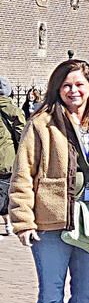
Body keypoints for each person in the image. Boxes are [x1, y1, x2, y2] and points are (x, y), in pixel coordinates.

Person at [8, 60, 89, 303]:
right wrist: (23, 221)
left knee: (87, 294)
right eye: (66, 85)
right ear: (57, 89)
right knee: (51, 295)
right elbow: (22, 174)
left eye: (79, 84)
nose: (73, 91)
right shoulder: (42, 123)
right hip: (52, 221)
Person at [0, 76, 28, 237]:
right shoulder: (14, 111)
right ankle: (9, 224)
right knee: (6, 192)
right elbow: (22, 136)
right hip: (7, 159)